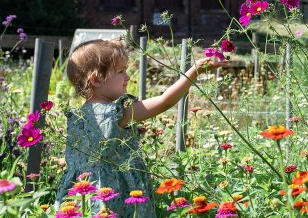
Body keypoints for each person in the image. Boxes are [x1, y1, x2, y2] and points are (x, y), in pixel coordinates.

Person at [56, 39, 224, 216]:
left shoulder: (75, 116)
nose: (127, 77)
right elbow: (164, 102)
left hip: (81, 196)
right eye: (121, 71)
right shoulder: (117, 113)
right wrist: (194, 72)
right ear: (97, 79)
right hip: (115, 197)